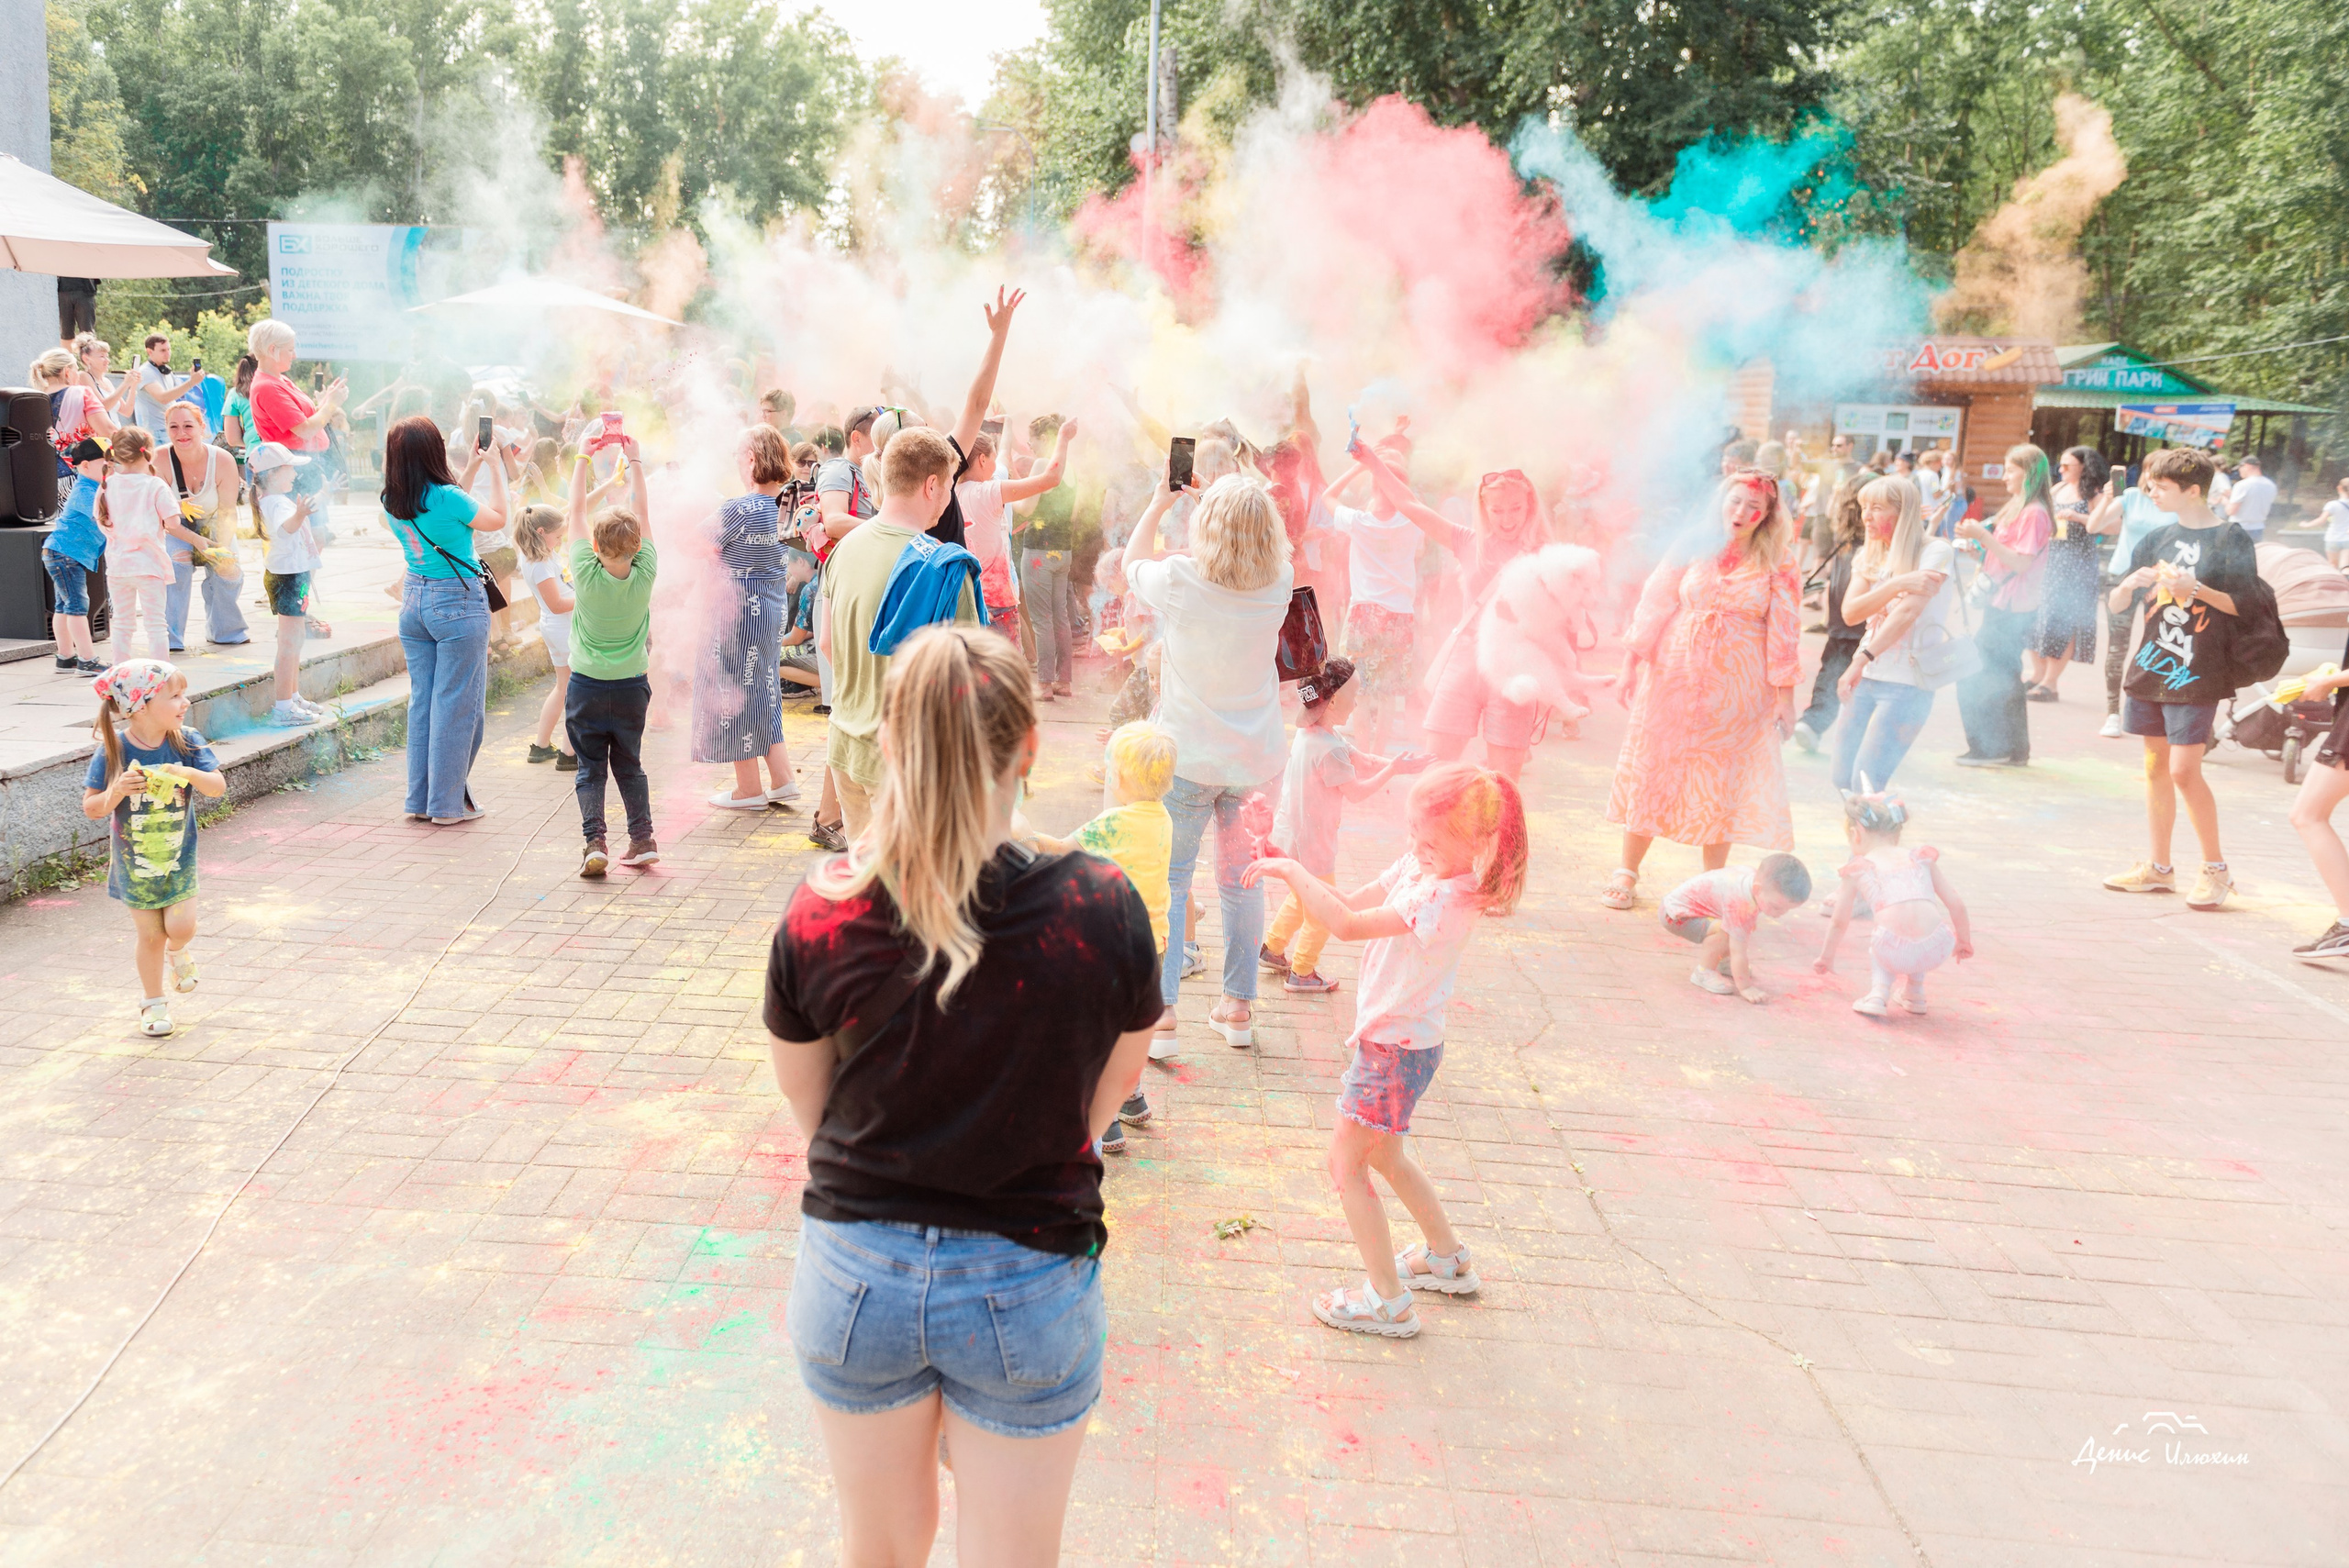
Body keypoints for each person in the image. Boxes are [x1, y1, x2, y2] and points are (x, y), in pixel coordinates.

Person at [763, 627, 1158, 1568]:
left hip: (855, 1273)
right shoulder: (1101, 903)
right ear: (1028, 745)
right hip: (1027, 1277)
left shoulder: (822, 908)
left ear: (890, 745)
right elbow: (1105, 1096)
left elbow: (815, 1112)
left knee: (879, 1549)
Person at [1241, 762, 1529, 1338]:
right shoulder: (1422, 869)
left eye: (1430, 842)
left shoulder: (1446, 897)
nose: (1416, 849)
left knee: (1345, 1163)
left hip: (1393, 1053)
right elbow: (1343, 901)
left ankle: (1387, 1302)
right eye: (1413, 836)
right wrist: (1280, 858)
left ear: (1475, 844)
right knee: (1385, 1155)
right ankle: (1447, 1260)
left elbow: (1345, 925)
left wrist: (1293, 870)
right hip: (1403, 1045)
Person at [1120, 474, 1295, 1048]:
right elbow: (1253, 546)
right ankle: (1238, 1009)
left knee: (1171, 881)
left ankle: (1164, 1013)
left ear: (1204, 530)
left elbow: (1132, 561)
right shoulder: (1280, 582)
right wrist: (1236, 500)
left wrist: (1160, 501)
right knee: (1243, 882)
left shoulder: (1180, 581)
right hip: (1255, 760)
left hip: (1187, 758)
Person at [1599, 471, 1799, 912]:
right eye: (1736, 502)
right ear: (1721, 501)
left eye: (1754, 507)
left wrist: (1785, 697)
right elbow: (1655, 600)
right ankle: (1627, 870)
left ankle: (1711, 883)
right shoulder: (1692, 542)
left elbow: (1786, 629)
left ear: (1767, 516)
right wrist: (1630, 663)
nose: (1742, 513)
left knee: (1722, 777)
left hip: (1739, 688)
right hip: (1674, 673)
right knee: (1655, 764)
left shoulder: (1779, 560)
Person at [2103, 447, 2258, 910]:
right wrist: (2129, 585)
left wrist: (2199, 591)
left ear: (2193, 490)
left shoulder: (2231, 537)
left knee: (2183, 770)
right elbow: (2117, 606)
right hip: (2154, 662)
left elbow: (2248, 606)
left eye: (2161, 487)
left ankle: (2216, 869)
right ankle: (2159, 868)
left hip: (2199, 668)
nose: (2150, 491)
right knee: (2155, 767)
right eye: (2150, 484)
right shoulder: (2156, 536)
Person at [820, 428, 984, 840]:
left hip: (845, 749)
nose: (950, 500)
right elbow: (969, 680)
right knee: (912, 895)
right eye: (949, 486)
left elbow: (827, 646)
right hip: (906, 764)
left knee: (868, 889)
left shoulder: (843, 547)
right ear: (932, 485)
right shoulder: (945, 568)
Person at [1348, 450, 1550, 778]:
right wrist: (1372, 462)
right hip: (1465, 665)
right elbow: (1410, 505)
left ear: (1530, 507)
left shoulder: (1545, 554)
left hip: (1513, 673)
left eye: (1516, 508)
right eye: (1497, 509)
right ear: (1483, 508)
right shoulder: (1468, 541)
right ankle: (1431, 831)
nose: (1508, 518)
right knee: (1435, 775)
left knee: (1504, 785)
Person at [1028, 719, 1179, 1146]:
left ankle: (1104, 1118)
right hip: (1156, 943)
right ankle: (1132, 1099)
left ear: (1121, 776)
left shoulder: (1114, 822)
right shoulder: (1163, 818)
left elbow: (1061, 849)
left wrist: (1020, 834)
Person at [1258, 658, 1427, 995]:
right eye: (1356, 693)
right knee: (1323, 908)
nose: (1358, 701)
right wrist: (1392, 772)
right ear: (1333, 700)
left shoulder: (1314, 735)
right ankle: (1302, 971)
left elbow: (1360, 760)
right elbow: (1358, 792)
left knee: (1302, 893)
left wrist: (1399, 765)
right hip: (1314, 842)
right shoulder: (1330, 750)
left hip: (1291, 834)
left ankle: (1273, 948)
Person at [81, 661, 227, 1040]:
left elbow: (217, 787)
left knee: (181, 926)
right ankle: (153, 1002)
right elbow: (92, 808)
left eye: (183, 694)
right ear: (140, 704)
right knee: (149, 937)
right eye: (174, 696)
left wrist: (188, 773)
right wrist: (117, 792)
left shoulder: (187, 740)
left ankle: (178, 951)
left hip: (178, 859)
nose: (185, 702)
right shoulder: (115, 749)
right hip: (135, 865)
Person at [379, 416, 506, 826]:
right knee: (457, 706)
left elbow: (448, 513)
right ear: (434, 450)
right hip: (456, 604)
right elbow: (497, 518)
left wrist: (469, 468)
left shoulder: (392, 498)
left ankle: (420, 800)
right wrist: (496, 467)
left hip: (414, 602)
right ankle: (448, 807)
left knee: (424, 706)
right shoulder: (448, 497)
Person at [564, 436, 659, 877]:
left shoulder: (584, 571)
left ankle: (594, 842)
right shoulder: (645, 572)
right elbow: (643, 513)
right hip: (631, 686)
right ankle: (642, 839)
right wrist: (635, 459)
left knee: (590, 768)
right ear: (637, 547)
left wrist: (584, 454)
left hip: (585, 684)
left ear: (596, 548)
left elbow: (575, 513)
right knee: (629, 764)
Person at [696, 426, 802, 811]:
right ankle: (782, 778)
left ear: (753, 459)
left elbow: (694, 542)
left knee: (734, 693)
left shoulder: (736, 508)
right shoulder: (789, 505)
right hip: (771, 610)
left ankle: (748, 788)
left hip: (736, 612)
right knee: (764, 690)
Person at [1830, 475, 1955, 791]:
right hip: (1867, 676)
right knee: (1842, 777)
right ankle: (1862, 838)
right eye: (1863, 508)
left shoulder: (1935, 550)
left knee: (1867, 782)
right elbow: (1850, 612)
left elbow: (1906, 613)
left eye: (1877, 508)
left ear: (1903, 512)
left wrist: (1860, 660)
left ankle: (1880, 837)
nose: (1866, 517)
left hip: (1908, 682)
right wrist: (1898, 583)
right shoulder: (1870, 555)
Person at [1815, 788, 1972, 1018]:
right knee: (1917, 930)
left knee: (1885, 937)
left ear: (1856, 834)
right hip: (1938, 947)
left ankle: (1878, 994)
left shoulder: (1858, 868)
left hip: (1893, 951)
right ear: (1896, 832)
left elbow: (1840, 920)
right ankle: (1915, 992)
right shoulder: (1920, 857)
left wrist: (1826, 956)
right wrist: (1963, 941)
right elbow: (1956, 904)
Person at [1951, 445, 2054, 767]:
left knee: (1986, 675)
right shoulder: (2019, 507)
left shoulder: (2035, 511)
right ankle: (2007, 748)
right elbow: (2006, 558)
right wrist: (1979, 551)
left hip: (2016, 607)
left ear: (2029, 473)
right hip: (2003, 603)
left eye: (2011, 470)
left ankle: (1997, 747)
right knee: (1998, 675)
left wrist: (1983, 536)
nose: (2005, 476)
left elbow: (2022, 563)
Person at [962, 420, 1074, 652]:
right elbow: (1050, 479)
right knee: (1006, 667)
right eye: (991, 458)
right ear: (982, 460)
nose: (997, 465)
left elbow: (1003, 455)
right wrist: (1062, 438)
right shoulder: (991, 490)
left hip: (968, 595)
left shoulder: (953, 489)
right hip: (997, 599)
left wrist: (1008, 426)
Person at [98, 427, 206, 663]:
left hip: (118, 567)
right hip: (150, 565)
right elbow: (173, 523)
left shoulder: (107, 485)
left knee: (123, 625)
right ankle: (161, 676)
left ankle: (120, 672)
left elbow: (102, 522)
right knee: (156, 625)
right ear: (149, 453)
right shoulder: (156, 486)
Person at [2086, 473, 2178, 739]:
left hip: (2161, 581)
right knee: (2118, 646)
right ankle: (2113, 712)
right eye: (2152, 471)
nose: (2155, 480)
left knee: (2163, 645)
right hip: (2123, 576)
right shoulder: (2131, 498)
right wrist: (2107, 498)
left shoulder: (2175, 503)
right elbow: (2094, 526)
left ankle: (2158, 710)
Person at [158, 402, 251, 651]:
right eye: (174, 427)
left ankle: (225, 630)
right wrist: (197, 542)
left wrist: (219, 549)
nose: (181, 433)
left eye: (188, 426)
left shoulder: (222, 459)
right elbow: (162, 519)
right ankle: (171, 637)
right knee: (176, 564)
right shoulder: (159, 459)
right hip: (175, 525)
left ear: (202, 427)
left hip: (215, 522)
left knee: (228, 568)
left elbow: (228, 511)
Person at [250, 442, 331, 727]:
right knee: (288, 643)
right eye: (290, 469)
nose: (295, 475)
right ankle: (283, 707)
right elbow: (286, 528)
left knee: (295, 641)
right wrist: (298, 516)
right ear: (273, 474)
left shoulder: (276, 499)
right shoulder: (275, 503)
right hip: (287, 578)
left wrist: (324, 494)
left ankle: (292, 696)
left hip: (293, 576)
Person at [1659, 853, 1812, 1003]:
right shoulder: (1741, 903)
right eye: (1776, 907)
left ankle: (1722, 961)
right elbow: (1738, 950)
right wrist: (1745, 987)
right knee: (1728, 933)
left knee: (1740, 928)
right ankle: (1704, 972)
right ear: (1758, 889)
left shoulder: (1755, 881)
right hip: (1675, 916)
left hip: (1680, 908)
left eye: (1787, 910)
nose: (1780, 914)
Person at [2027, 445, 2109, 701]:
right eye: (2059, 465)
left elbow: (2112, 526)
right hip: (2050, 561)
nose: (2060, 470)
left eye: (2067, 465)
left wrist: (2078, 517)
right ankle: (2037, 675)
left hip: (2077, 565)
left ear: (2084, 467)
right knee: (2037, 618)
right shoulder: (2058, 489)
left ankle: (2051, 683)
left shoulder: (2094, 494)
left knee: (2064, 621)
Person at [246, 319, 347, 522]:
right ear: (272, 349)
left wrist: (326, 402)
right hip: (292, 468)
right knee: (306, 532)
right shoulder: (268, 386)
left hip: (300, 465)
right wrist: (331, 405)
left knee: (315, 533)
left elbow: (305, 420)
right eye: (290, 350)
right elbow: (305, 430)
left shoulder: (279, 379)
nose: (295, 355)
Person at [1793, 475, 1866, 751]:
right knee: (1847, 673)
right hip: (1852, 616)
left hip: (1850, 616)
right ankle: (1820, 725)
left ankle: (1815, 723)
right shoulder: (1851, 532)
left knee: (1836, 670)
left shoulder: (1854, 532)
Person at [1017, 414, 1085, 698]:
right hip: (1062, 550)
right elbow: (1074, 514)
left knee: (1041, 619)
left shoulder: (1043, 465)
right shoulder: (1072, 469)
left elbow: (1027, 509)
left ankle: (1044, 684)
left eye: (1031, 440)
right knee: (1061, 618)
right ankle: (1063, 681)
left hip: (1038, 551)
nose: (1029, 446)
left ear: (1045, 439)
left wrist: (1007, 494)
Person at [515, 505, 576, 770]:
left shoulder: (538, 553)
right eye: (558, 536)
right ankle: (568, 753)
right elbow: (557, 604)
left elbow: (568, 514)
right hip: (562, 628)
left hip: (556, 628)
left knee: (564, 687)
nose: (561, 540)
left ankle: (541, 746)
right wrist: (590, 596)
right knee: (577, 689)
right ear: (541, 532)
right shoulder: (539, 565)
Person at [43, 439, 108, 674]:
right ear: (85, 466)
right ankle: (87, 659)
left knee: (64, 606)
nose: (111, 470)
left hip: (60, 552)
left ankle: (66, 657)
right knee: (77, 606)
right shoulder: (85, 490)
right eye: (105, 465)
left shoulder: (94, 487)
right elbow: (104, 517)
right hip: (66, 554)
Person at [31, 346, 116, 478]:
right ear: (67, 372)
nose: (78, 374)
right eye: (76, 369)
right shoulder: (81, 393)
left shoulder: (33, 400)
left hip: (44, 478)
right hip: (81, 475)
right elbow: (108, 430)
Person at [132, 332, 206, 441]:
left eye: (168, 349)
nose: (167, 353)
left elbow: (177, 395)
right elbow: (163, 398)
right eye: (162, 350)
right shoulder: (146, 372)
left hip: (168, 427)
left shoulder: (166, 371)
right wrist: (191, 382)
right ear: (149, 351)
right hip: (154, 432)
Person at [2225, 456, 2277, 541]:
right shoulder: (2271, 485)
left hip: (2238, 528)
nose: (2239, 471)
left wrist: (2225, 500)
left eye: (2240, 467)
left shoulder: (2242, 485)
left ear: (2247, 466)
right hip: (2258, 528)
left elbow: (2231, 511)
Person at [2321, 477, 2349, 570]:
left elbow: (2321, 520)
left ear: (2339, 488)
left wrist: (2306, 525)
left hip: (2332, 539)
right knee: (2345, 567)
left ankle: (2335, 583)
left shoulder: (2332, 504)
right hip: (2347, 539)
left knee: (2332, 566)